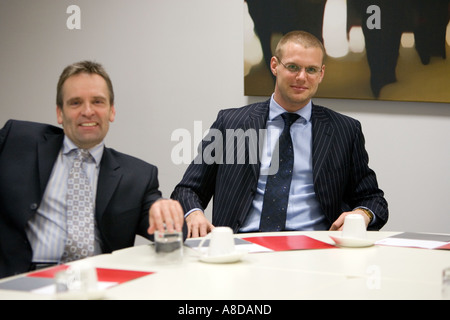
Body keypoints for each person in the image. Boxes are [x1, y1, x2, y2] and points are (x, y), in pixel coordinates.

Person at [171, 31, 388, 238]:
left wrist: (362, 214)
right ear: (275, 65)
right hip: (242, 246)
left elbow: (373, 199)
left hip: (316, 249)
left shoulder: (345, 130)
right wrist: (194, 214)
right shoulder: (231, 124)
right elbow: (188, 190)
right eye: (293, 67)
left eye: (311, 70)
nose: (301, 77)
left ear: (321, 74)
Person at [0, 61, 185, 278]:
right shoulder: (17, 140)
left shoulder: (138, 175)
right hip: (21, 282)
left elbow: (174, 237)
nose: (87, 112)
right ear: (60, 113)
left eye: (97, 102)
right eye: (75, 103)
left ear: (111, 111)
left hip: (95, 283)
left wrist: (166, 214)